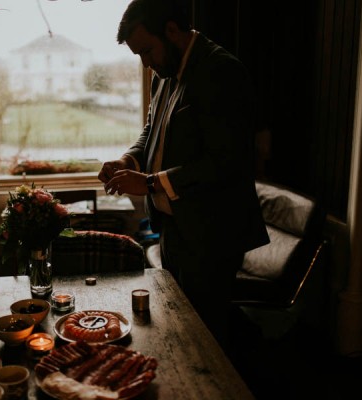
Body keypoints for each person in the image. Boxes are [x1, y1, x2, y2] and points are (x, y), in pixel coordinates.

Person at [98, 0, 269, 350]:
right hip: (174, 226)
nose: (146, 63)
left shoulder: (221, 71)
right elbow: (151, 130)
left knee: (205, 336)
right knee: (178, 326)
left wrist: (147, 183)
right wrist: (129, 159)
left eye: (147, 51)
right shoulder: (164, 73)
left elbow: (226, 160)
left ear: (173, 31)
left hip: (213, 232)